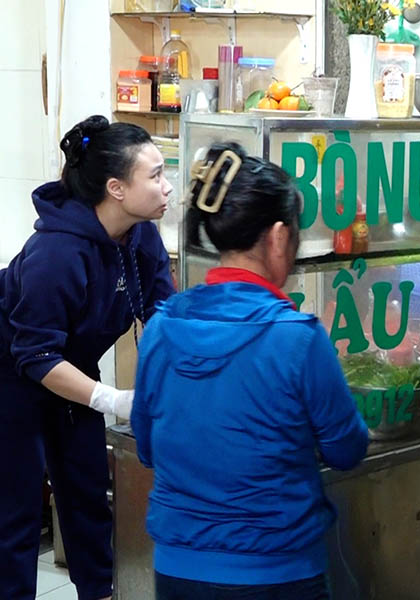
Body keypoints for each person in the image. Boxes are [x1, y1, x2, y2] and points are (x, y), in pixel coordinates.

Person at [131, 143, 369, 600]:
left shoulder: (162, 327)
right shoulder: (298, 338)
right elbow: (346, 449)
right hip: (277, 573)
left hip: (178, 571)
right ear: (279, 237)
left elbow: (147, 446)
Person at [0, 115, 175, 600]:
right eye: (156, 175)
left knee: (87, 495)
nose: (167, 187)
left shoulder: (141, 235)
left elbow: (162, 315)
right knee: (15, 508)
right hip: (11, 372)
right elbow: (35, 353)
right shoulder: (56, 253)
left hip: (73, 365)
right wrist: (111, 399)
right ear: (116, 188)